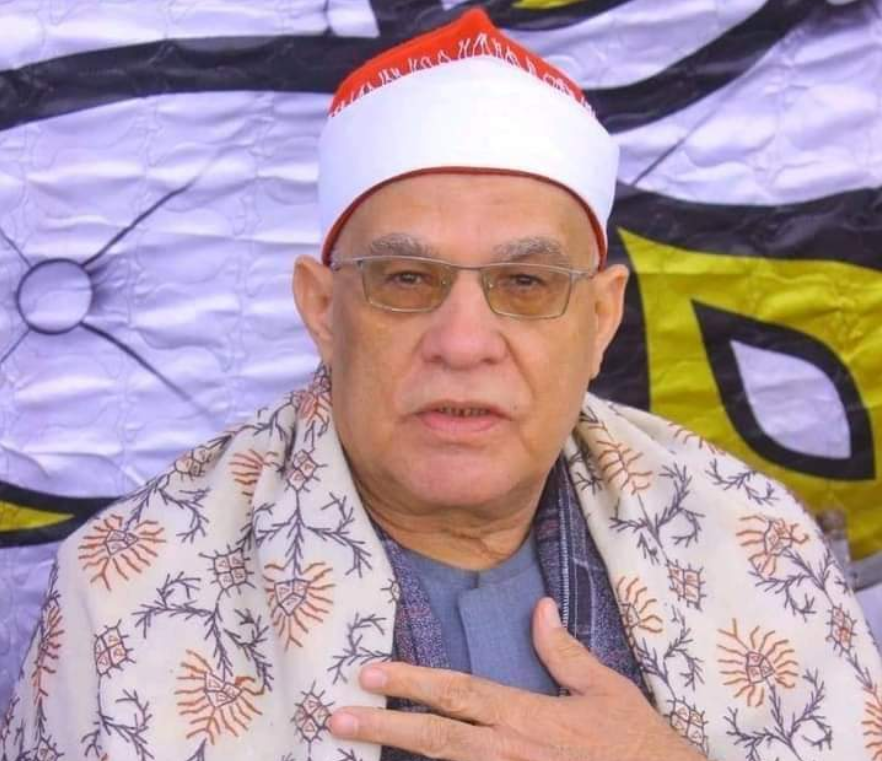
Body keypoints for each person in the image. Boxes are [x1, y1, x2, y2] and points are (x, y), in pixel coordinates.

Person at [2, 9, 879, 761]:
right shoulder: (134, 591)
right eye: (406, 280)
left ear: (601, 317)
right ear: (323, 308)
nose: (463, 343)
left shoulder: (755, 546)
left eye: (526, 283)